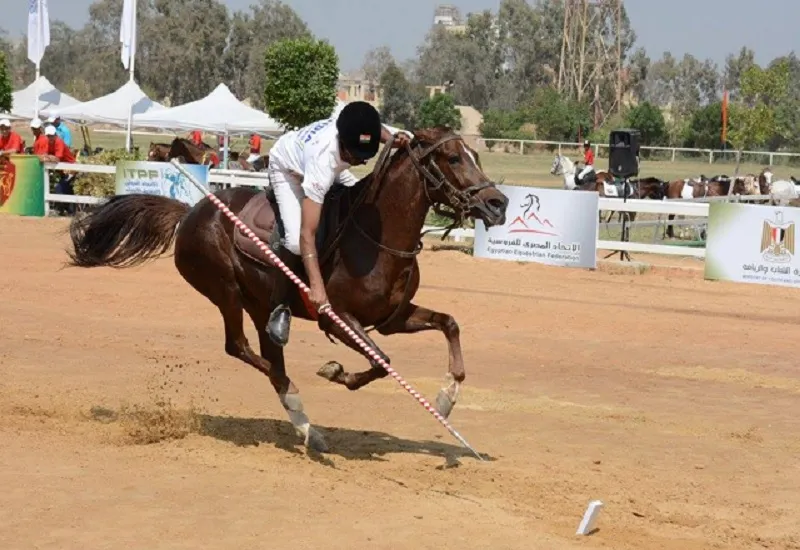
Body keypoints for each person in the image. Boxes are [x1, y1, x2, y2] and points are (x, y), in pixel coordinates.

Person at [265, 101, 411, 346]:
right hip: (288, 169)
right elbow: (307, 234)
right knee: (293, 243)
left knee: (360, 200)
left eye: (365, 157)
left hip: (332, 164)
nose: (361, 163)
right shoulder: (321, 161)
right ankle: (279, 305)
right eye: (356, 157)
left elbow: (379, 131)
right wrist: (317, 287)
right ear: (342, 142)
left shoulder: (359, 126)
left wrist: (394, 140)